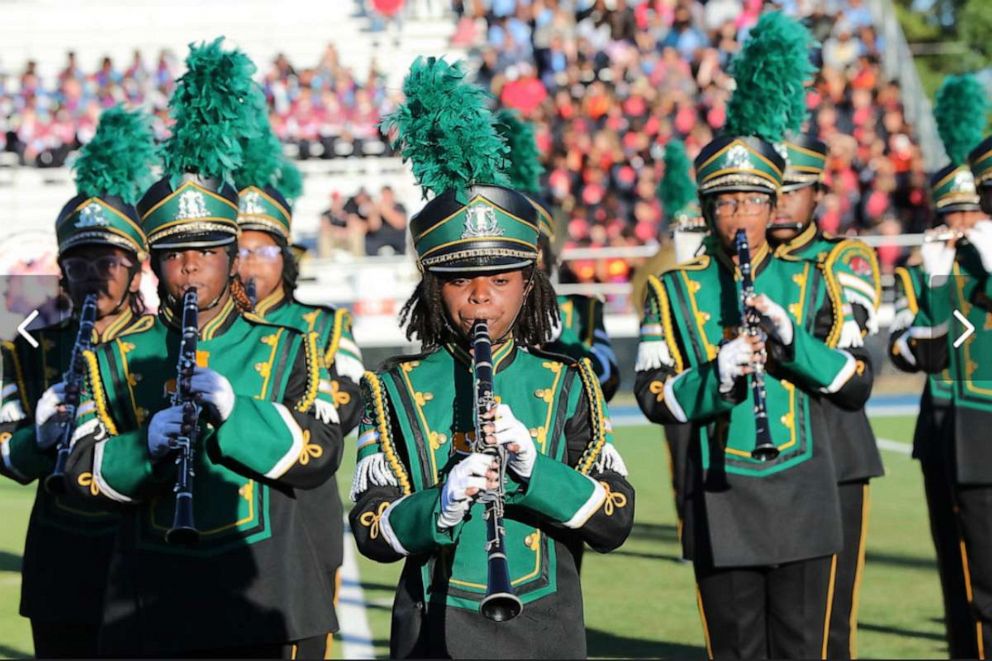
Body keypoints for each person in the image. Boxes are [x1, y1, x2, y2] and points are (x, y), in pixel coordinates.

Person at [60, 39, 344, 658]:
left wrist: (239, 414)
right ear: (154, 263)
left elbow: (320, 453)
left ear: (230, 257)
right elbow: (79, 474)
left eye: (209, 253)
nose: (191, 268)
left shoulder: (289, 345)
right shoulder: (110, 356)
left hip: (266, 592)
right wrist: (144, 447)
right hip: (148, 596)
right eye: (174, 254)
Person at [349, 57, 634, 659]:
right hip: (432, 634)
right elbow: (371, 531)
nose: (480, 294)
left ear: (529, 284)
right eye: (460, 280)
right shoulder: (391, 388)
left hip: (545, 633)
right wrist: (441, 503)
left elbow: (614, 520)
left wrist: (535, 473)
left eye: (500, 277)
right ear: (432, 288)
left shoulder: (568, 381)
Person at [634, 14, 872, 658]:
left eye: (753, 202)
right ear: (708, 211)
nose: (740, 215)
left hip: (805, 493)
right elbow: (654, 396)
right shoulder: (674, 291)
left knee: (805, 650)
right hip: (719, 500)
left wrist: (795, 342)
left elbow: (856, 385)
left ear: (774, 206)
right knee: (734, 652)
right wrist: (721, 373)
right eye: (726, 204)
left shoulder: (817, 280)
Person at [0, 105, 158, 659]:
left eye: (109, 261)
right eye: (79, 262)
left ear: (136, 266)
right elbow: (6, 454)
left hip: (152, 554)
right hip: (61, 565)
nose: (94, 274)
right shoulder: (27, 345)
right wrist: (37, 438)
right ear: (61, 269)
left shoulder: (170, 341)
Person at [235, 116, 365, 656]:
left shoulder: (326, 325)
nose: (247, 262)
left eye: (262, 250)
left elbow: (349, 402)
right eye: (237, 249)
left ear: (285, 259)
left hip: (304, 505)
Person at [766, 135, 884, 659]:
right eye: (774, 190)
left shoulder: (844, 258)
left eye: (797, 190)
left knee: (826, 623)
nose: (784, 201)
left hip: (832, 453)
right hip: (754, 463)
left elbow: (845, 346)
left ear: (820, 194)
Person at [892, 73, 992, 658]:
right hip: (950, 437)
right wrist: (936, 283)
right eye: (952, 214)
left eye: (968, 213)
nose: (958, 226)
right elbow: (925, 352)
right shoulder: (928, 273)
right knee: (968, 588)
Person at [494, 108, 620, 401]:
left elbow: (608, 380)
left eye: (534, 250)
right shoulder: (486, 305)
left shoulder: (582, 310)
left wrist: (561, 342)